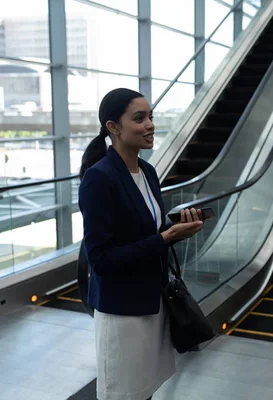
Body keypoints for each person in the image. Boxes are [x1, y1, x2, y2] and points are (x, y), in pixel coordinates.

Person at [78, 88, 204, 400]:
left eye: (150, 117)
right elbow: (101, 260)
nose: (150, 125)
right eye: (139, 118)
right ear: (113, 127)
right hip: (122, 313)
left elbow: (148, 229)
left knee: (145, 392)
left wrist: (177, 228)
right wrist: (165, 238)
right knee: (123, 393)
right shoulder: (99, 179)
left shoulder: (147, 171)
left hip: (152, 304)